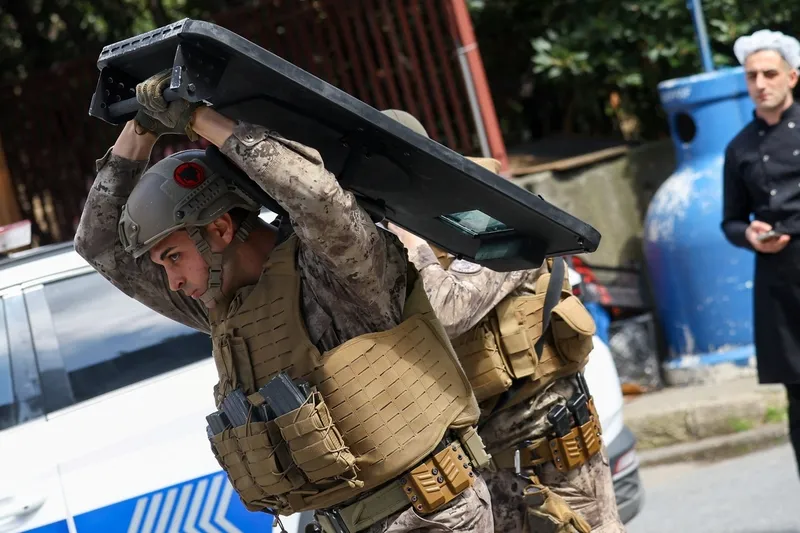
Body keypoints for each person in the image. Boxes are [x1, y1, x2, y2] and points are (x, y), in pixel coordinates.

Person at [74, 70, 495, 533]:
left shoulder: (336, 274)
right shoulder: (220, 306)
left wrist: (201, 118)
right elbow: (98, 245)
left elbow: (316, 196)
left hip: (429, 516)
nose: (170, 281)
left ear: (220, 229)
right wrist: (142, 127)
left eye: (173, 257)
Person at [381, 109, 626, 533]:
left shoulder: (491, 214)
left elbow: (449, 311)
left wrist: (409, 239)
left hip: (553, 452)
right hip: (481, 465)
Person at [723, 29, 800, 474]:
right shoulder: (739, 148)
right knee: (799, 401)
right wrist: (749, 236)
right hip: (779, 284)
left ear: (792, 76)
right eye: (752, 75)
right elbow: (730, 219)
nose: (761, 82)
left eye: (770, 73)